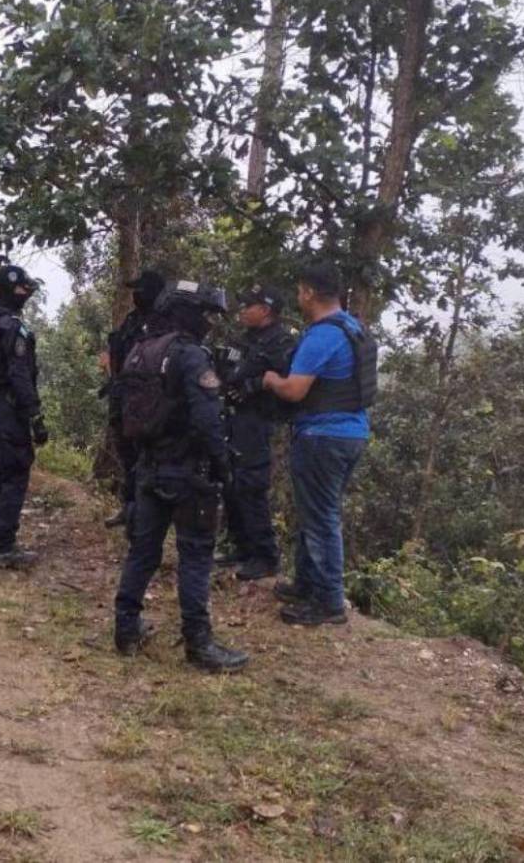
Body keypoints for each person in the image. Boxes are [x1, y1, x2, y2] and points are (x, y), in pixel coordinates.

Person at [113, 281, 249, 672]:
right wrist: (223, 466)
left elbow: (123, 415)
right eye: (205, 314)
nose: (209, 323)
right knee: (195, 555)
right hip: (188, 473)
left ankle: (126, 629)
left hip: (149, 467)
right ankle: (199, 644)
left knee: (143, 551)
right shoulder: (190, 356)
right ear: (186, 314)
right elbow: (207, 419)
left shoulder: (140, 350)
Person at [261, 260, 377, 625]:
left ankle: (329, 602)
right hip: (350, 433)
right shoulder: (353, 328)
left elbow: (294, 390)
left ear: (310, 293)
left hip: (323, 436)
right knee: (315, 511)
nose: (298, 296)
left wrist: (271, 380)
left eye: (300, 291)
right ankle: (307, 584)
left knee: (322, 517)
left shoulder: (322, 335)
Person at [0, 264, 49, 568]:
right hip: (8, 407)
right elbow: (19, 375)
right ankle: (3, 547)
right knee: (14, 473)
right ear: (12, 290)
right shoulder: (14, 328)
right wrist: (35, 415)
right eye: (22, 289)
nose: (26, 294)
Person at [220, 285, 296, 581]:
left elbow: (282, 380)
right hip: (233, 417)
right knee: (231, 482)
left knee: (251, 484)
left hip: (258, 421)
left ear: (265, 310)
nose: (242, 310)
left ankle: (264, 556)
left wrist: (251, 386)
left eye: (248, 305)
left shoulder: (281, 342)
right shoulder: (243, 338)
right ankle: (241, 546)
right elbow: (227, 371)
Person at [102, 270, 167, 528]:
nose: (136, 295)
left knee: (144, 459)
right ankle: (129, 508)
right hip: (122, 397)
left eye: (140, 290)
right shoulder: (132, 320)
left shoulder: (162, 323)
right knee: (127, 456)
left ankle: (145, 514)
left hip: (145, 404)